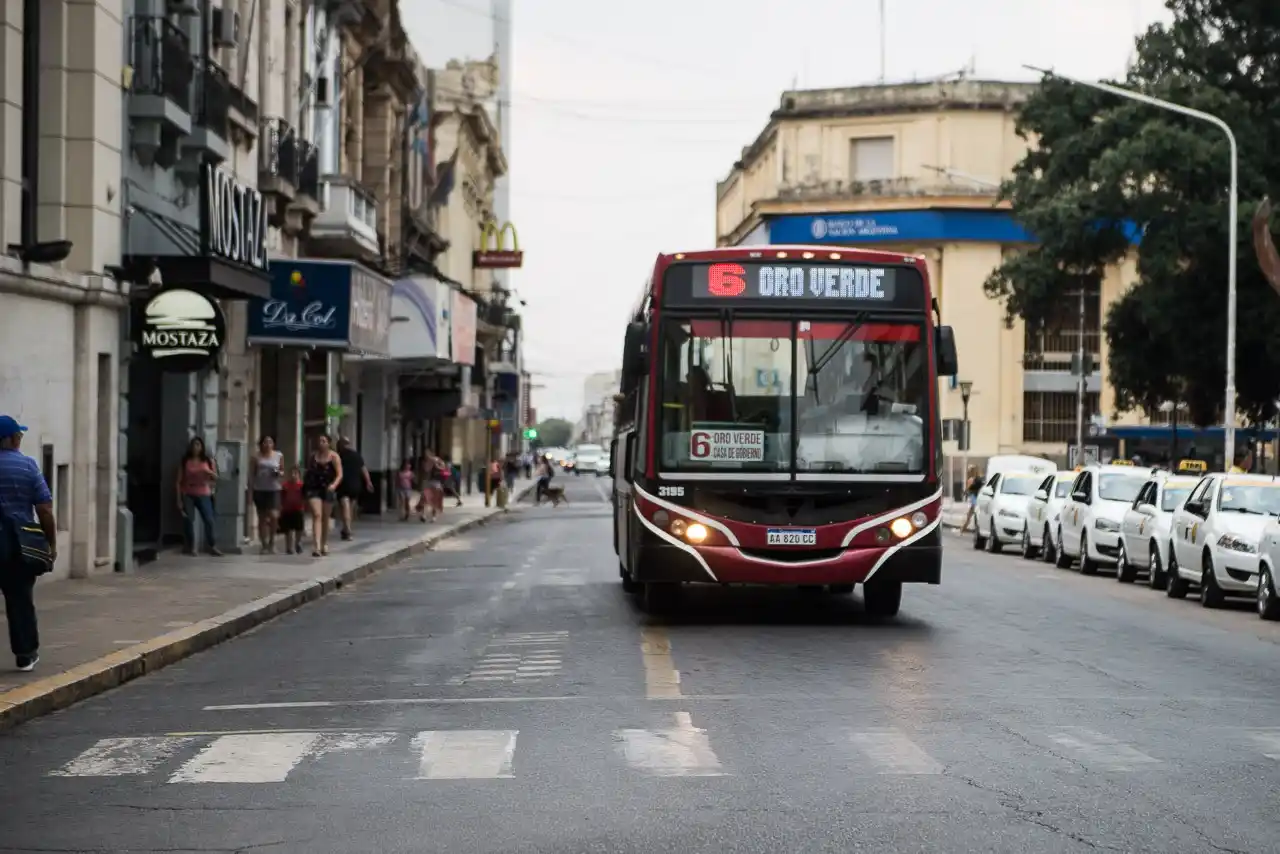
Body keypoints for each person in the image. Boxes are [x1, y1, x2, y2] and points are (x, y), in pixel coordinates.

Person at [0, 415, 56, 672]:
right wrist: (50, 544)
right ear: (11, 439)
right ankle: (25, 654)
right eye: (19, 436)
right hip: (18, 546)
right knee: (20, 599)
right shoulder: (28, 466)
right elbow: (44, 509)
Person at [176, 437, 221, 557]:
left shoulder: (207, 460)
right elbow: (178, 481)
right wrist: (179, 499)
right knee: (189, 520)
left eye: (198, 444)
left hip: (203, 492)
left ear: (202, 447)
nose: (196, 447)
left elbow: (216, 478)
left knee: (209, 519)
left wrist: (210, 473)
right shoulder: (186, 461)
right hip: (188, 492)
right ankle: (191, 546)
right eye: (194, 444)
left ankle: (212, 545)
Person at [303, 434, 343, 557]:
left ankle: (324, 543)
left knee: (325, 517)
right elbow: (308, 471)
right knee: (317, 515)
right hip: (314, 488)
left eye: (323, 441)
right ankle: (316, 546)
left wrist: (334, 485)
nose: (321, 443)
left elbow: (339, 474)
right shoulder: (313, 456)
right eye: (319, 440)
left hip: (328, 489)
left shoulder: (334, 457)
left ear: (329, 443)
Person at [335, 437, 373, 541]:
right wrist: (368, 482)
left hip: (343, 485)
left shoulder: (338, 456)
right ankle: (346, 528)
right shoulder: (357, 456)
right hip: (356, 485)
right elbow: (364, 469)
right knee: (350, 509)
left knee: (345, 507)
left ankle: (347, 529)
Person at [251, 436, 284, 554]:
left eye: (270, 442)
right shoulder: (256, 457)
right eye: (265, 442)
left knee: (274, 515)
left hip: (274, 489)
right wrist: (250, 492)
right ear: (261, 444)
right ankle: (264, 544)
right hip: (260, 489)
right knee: (262, 518)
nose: (268, 444)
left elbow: (282, 470)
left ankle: (272, 542)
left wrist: (278, 473)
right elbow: (252, 475)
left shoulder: (278, 455)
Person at [278, 466, 307, 555]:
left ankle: (298, 543)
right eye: (291, 474)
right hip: (287, 510)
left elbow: (305, 497)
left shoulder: (302, 485)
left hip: (298, 509)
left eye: (295, 473)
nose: (293, 475)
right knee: (288, 530)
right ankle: (289, 547)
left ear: (299, 475)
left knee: (299, 529)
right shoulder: (285, 486)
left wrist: (305, 507)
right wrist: (280, 507)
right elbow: (281, 497)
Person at [959, 465, 983, 534]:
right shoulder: (979, 479)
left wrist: (965, 493)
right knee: (971, 515)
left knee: (970, 515)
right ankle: (962, 530)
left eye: (969, 470)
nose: (968, 472)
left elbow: (968, 490)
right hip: (977, 498)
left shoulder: (971, 479)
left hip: (974, 499)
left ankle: (962, 530)